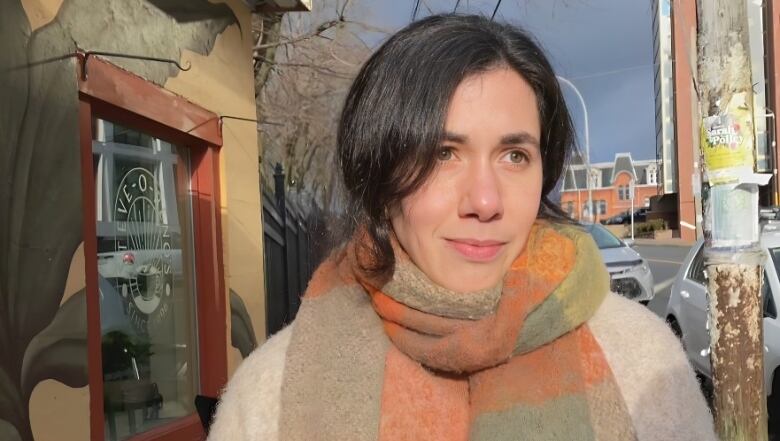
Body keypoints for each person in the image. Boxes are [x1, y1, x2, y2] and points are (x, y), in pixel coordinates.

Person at [208, 14, 716, 441]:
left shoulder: (646, 367)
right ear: (380, 177)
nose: (486, 201)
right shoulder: (273, 395)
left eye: (515, 155)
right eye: (443, 154)